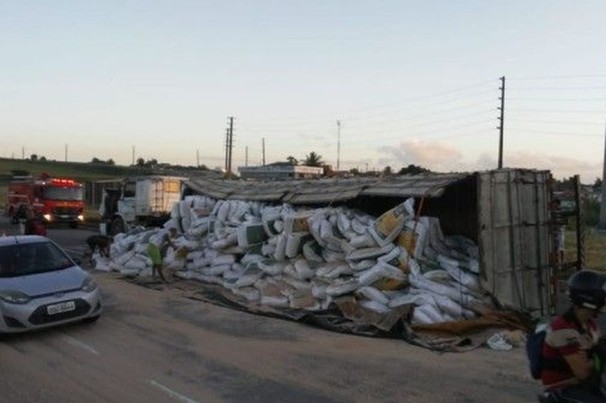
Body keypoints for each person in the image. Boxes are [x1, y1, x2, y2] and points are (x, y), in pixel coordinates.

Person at [540, 270, 606, 402]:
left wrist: (595, 355)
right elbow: (583, 373)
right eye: (602, 294)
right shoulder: (564, 330)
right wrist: (598, 355)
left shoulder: (590, 325)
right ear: (589, 299)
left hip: (584, 384)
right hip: (562, 389)